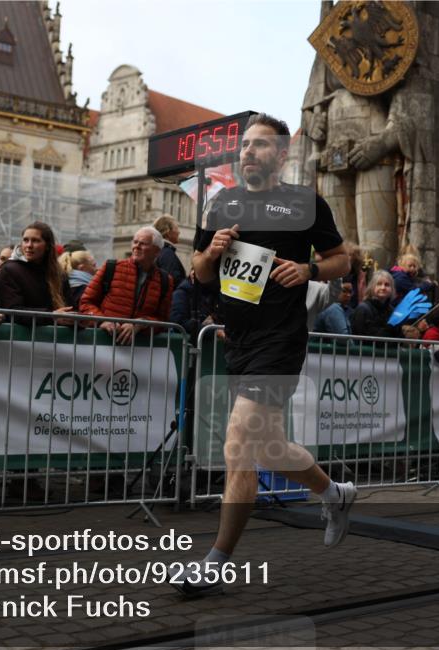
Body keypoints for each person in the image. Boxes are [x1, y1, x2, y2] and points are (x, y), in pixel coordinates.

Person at [179, 114, 352, 598]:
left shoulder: (303, 202)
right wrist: (211, 253)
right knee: (272, 448)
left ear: (280, 154)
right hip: (240, 338)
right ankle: (336, 494)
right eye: (244, 146)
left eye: (258, 146)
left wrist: (310, 268)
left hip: (281, 338)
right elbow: (199, 272)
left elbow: (344, 259)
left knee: (239, 445)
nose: (247, 153)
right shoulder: (221, 203)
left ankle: (215, 561)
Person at [79, 226, 173, 345]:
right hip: (102, 345)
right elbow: (86, 302)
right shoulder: (111, 267)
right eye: (135, 242)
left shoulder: (165, 280)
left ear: (157, 251)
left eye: (143, 243)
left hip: (139, 352)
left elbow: (163, 320)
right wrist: (102, 321)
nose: (136, 246)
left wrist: (142, 324)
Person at [0, 222, 73, 326]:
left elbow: (69, 307)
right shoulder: (9, 270)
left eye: (35, 241)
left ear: (48, 246)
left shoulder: (59, 274)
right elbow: (12, 311)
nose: (29, 245)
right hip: (18, 339)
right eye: (26, 240)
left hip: (57, 339)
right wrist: (51, 317)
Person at [350, 270, 404, 339]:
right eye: (379, 284)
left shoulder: (392, 311)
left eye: (387, 285)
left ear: (392, 288)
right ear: (372, 287)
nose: (383, 288)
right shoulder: (363, 309)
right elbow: (367, 336)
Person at [169, 270, 222, 339]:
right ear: (193, 274)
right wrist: (213, 331)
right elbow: (178, 322)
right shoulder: (181, 294)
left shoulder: (213, 294)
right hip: (186, 344)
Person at [153, 214, 187, 288]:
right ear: (168, 232)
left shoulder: (160, 251)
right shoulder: (167, 254)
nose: (179, 232)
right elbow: (174, 282)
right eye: (177, 228)